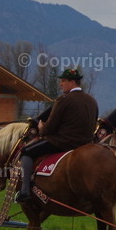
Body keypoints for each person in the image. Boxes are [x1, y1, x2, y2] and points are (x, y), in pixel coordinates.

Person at [17, 68, 99, 203]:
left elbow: (50, 127)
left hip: (62, 142)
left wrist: (41, 128)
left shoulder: (64, 100)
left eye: (63, 81)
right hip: (86, 143)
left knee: (26, 152)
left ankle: (25, 191)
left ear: (72, 82)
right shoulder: (92, 101)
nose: (61, 84)